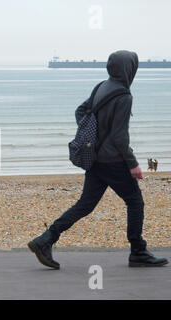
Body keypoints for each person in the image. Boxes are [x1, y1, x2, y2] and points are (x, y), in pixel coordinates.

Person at [28, 51, 168, 269]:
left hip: (95, 160)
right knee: (135, 201)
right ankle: (138, 252)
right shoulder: (123, 96)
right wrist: (133, 164)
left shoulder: (102, 86)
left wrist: (93, 138)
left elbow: (81, 111)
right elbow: (120, 137)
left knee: (85, 205)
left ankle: (45, 239)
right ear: (129, 69)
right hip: (113, 162)